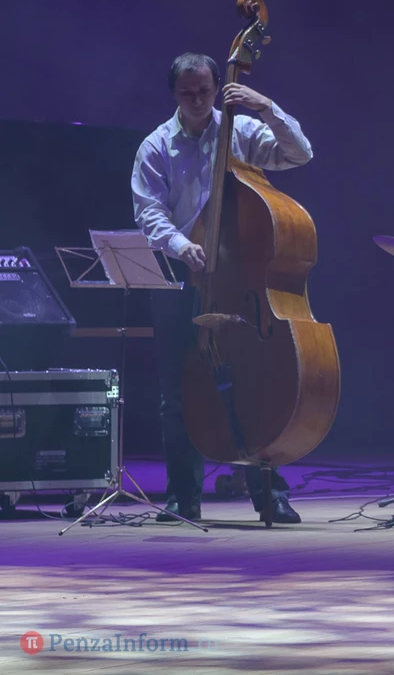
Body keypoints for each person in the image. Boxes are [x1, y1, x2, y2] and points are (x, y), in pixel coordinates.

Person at [131, 52, 313, 524]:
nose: (197, 101)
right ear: (174, 93)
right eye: (187, 93)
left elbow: (300, 154)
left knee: (253, 381)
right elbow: (149, 210)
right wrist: (180, 244)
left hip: (237, 279)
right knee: (177, 393)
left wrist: (266, 107)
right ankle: (183, 497)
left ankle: (268, 492)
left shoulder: (241, 131)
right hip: (180, 276)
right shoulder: (155, 146)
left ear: (217, 88)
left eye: (205, 92)